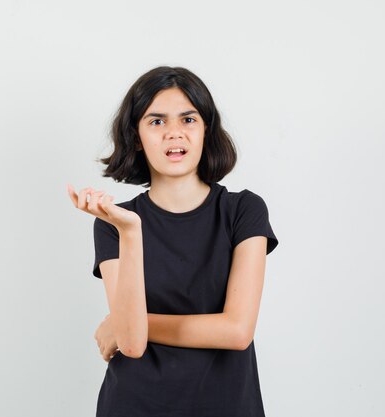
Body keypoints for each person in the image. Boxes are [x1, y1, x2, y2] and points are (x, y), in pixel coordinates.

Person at [67, 65, 279, 417]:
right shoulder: (114, 223)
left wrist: (121, 322)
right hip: (135, 405)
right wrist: (131, 233)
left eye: (188, 119)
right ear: (136, 136)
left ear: (206, 129)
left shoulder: (243, 210)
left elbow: (237, 331)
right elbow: (132, 344)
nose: (174, 134)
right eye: (157, 121)